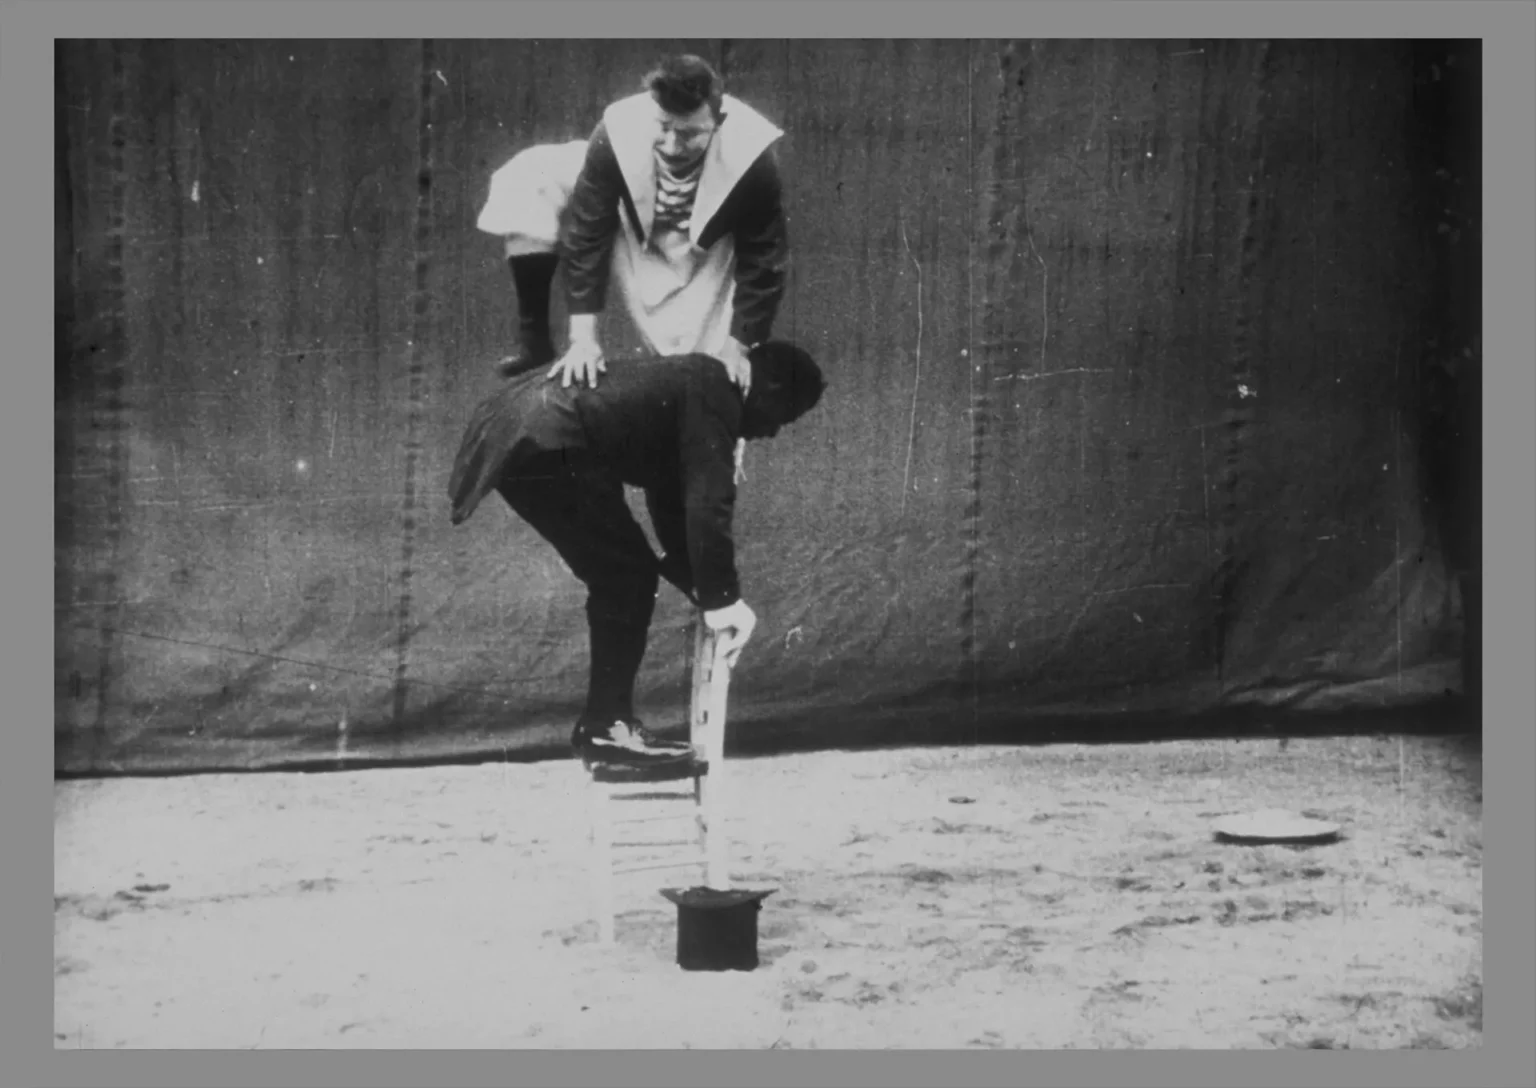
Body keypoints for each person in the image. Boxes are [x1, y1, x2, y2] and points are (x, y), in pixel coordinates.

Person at [446, 340, 826, 768]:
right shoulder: (717, 390)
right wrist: (724, 599)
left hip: (523, 424)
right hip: (545, 430)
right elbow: (708, 503)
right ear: (769, 386)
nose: (773, 432)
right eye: (783, 416)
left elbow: (671, 503)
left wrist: (698, 583)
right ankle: (606, 726)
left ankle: (605, 724)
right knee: (625, 578)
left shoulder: (693, 384)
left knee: (625, 574)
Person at [476, 54, 790, 407]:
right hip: (630, 218)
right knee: (529, 174)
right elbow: (586, 231)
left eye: (688, 134)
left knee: (710, 379)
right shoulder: (619, 128)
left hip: (701, 247)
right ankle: (535, 341)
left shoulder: (752, 153)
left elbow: (763, 262)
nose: (672, 145)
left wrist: (738, 348)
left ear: (718, 120)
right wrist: (583, 340)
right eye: (663, 127)